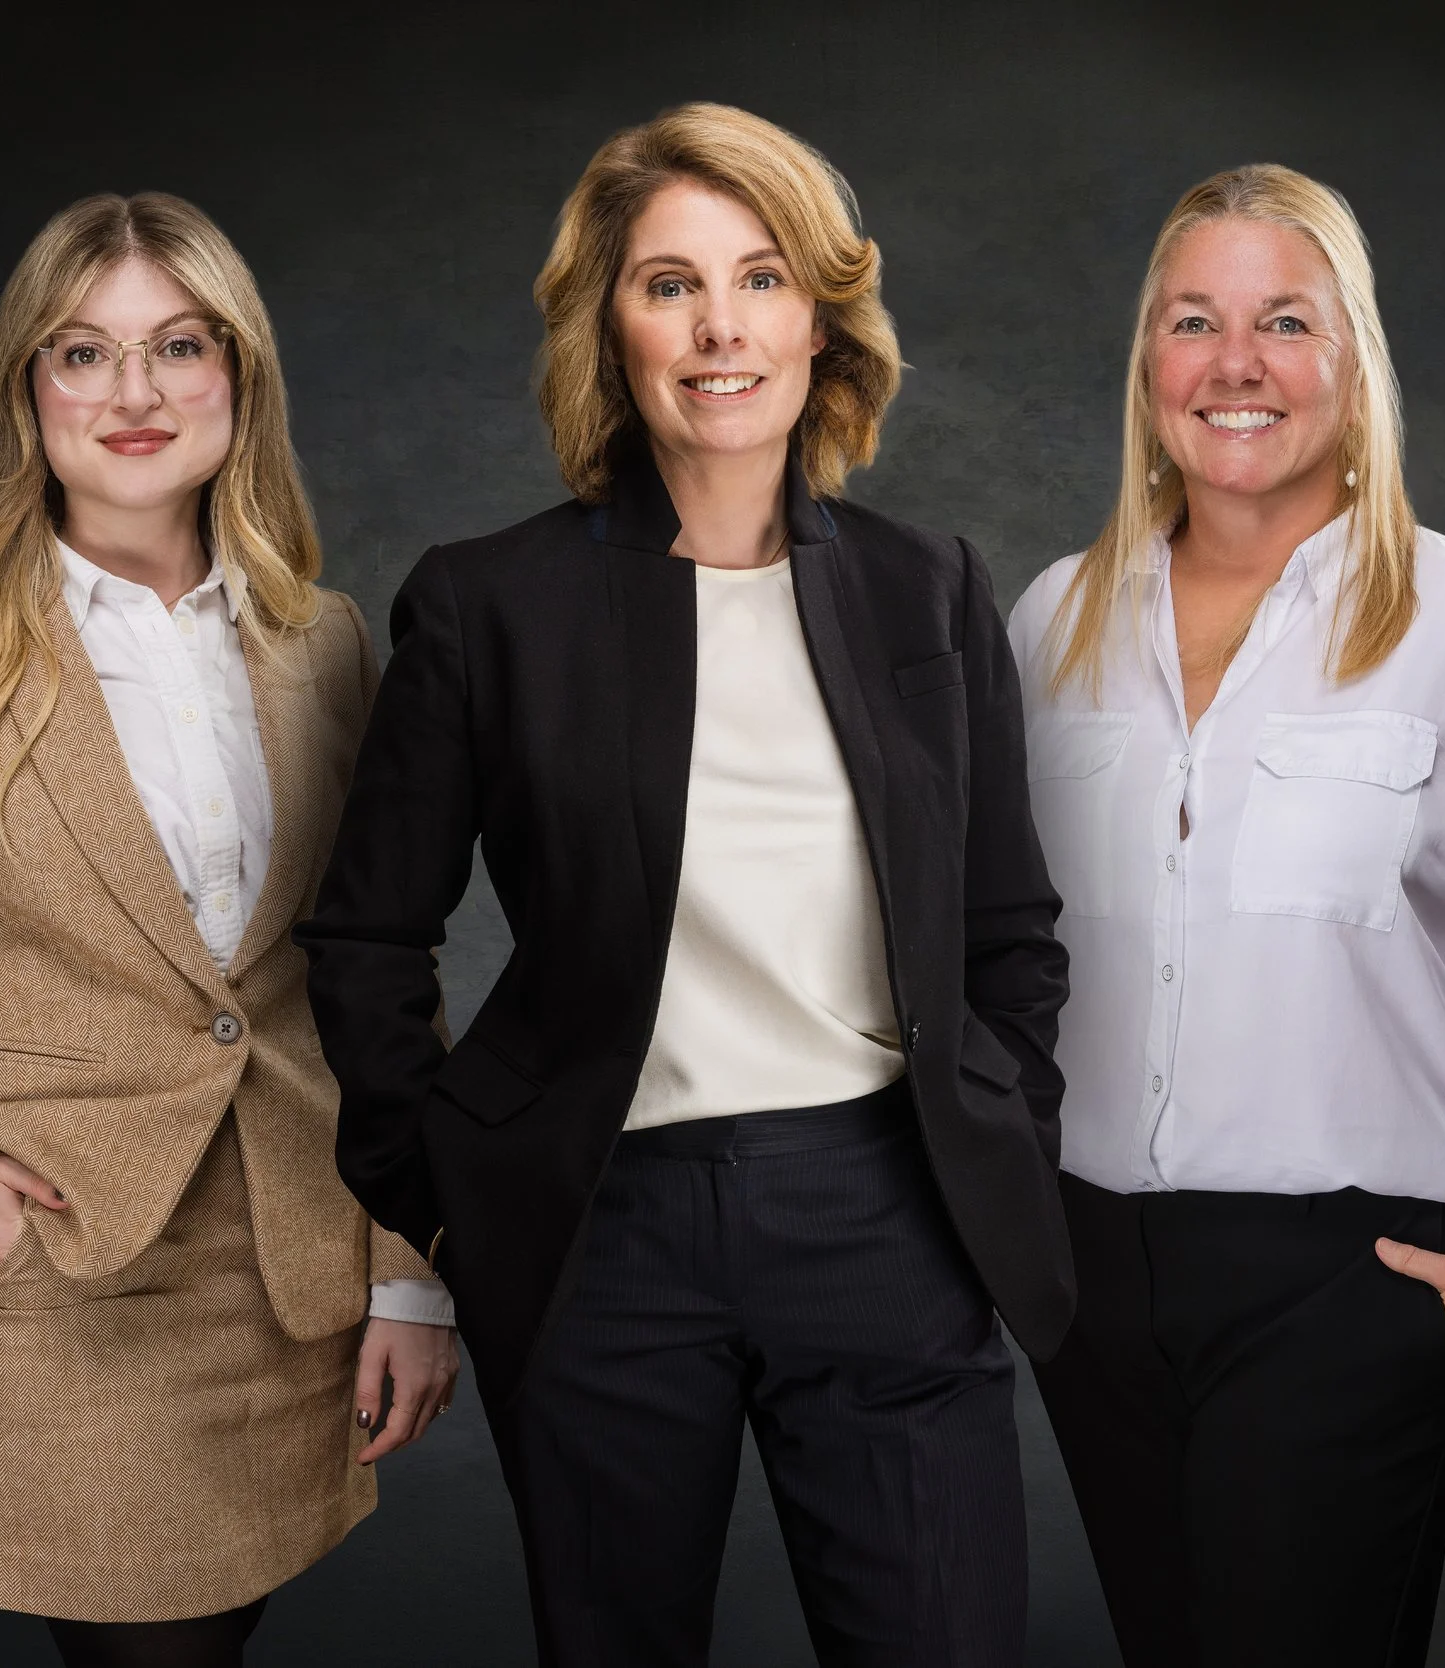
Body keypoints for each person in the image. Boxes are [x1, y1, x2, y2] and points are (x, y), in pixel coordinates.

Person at [296, 103, 1072, 1667]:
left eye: (762, 277)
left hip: (885, 1214)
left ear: (820, 319)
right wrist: (441, 1194)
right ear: (615, 329)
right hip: (602, 1230)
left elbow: (1009, 932)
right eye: (669, 285)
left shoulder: (931, 590)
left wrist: (995, 1130)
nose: (721, 326)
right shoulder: (487, 605)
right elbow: (371, 932)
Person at [0, 193, 455, 1668]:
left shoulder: (327, 641)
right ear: (26, 392)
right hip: (70, 1278)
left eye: (180, 346)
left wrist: (412, 1268)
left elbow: (380, 977)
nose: (134, 394)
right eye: (82, 353)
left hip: (300, 1267)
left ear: (239, 380)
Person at [1006, 164, 1445, 1668]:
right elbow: (1003, 959)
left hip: (1353, 1287)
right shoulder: (1053, 623)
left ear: (1354, 364)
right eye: (1195, 321)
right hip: (1092, 1278)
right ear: (1149, 367)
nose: (1235, 364)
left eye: (1284, 321)